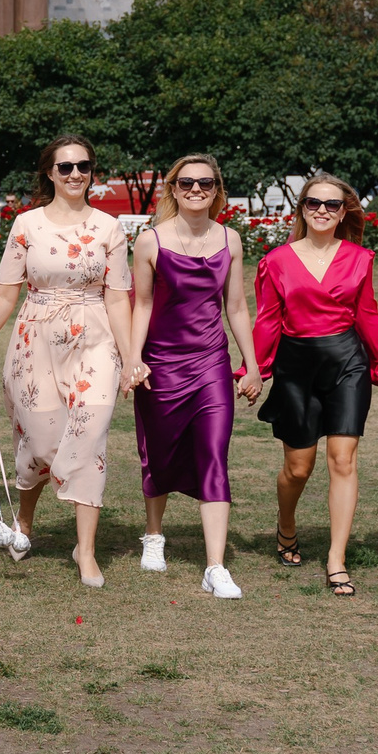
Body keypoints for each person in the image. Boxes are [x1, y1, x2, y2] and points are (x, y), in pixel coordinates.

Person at [0, 134, 136, 588]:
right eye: (65, 167)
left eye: (83, 166)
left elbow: (119, 298)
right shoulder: (26, 224)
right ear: (49, 173)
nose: (75, 174)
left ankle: (85, 551)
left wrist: (130, 358)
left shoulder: (109, 227)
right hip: (36, 339)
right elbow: (6, 291)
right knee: (41, 446)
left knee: (89, 438)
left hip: (95, 339)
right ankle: (25, 523)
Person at [252, 176, 378, 598]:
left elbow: (368, 314)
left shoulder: (360, 258)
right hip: (295, 367)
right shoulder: (276, 260)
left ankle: (336, 560)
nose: (322, 211)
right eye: (314, 203)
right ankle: (287, 525)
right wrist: (255, 369)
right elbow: (266, 319)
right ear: (301, 208)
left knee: (343, 460)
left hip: (347, 362)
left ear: (344, 211)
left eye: (332, 205)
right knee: (298, 468)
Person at [129, 154, 258, 597]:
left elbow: (236, 307)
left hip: (211, 365)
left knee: (214, 456)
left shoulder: (231, 239)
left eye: (205, 182)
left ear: (217, 189)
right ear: (174, 188)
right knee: (159, 452)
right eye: (187, 183)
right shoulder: (149, 241)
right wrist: (133, 357)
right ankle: (154, 534)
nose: (196, 189)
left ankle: (215, 567)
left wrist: (252, 363)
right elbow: (141, 305)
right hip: (161, 364)